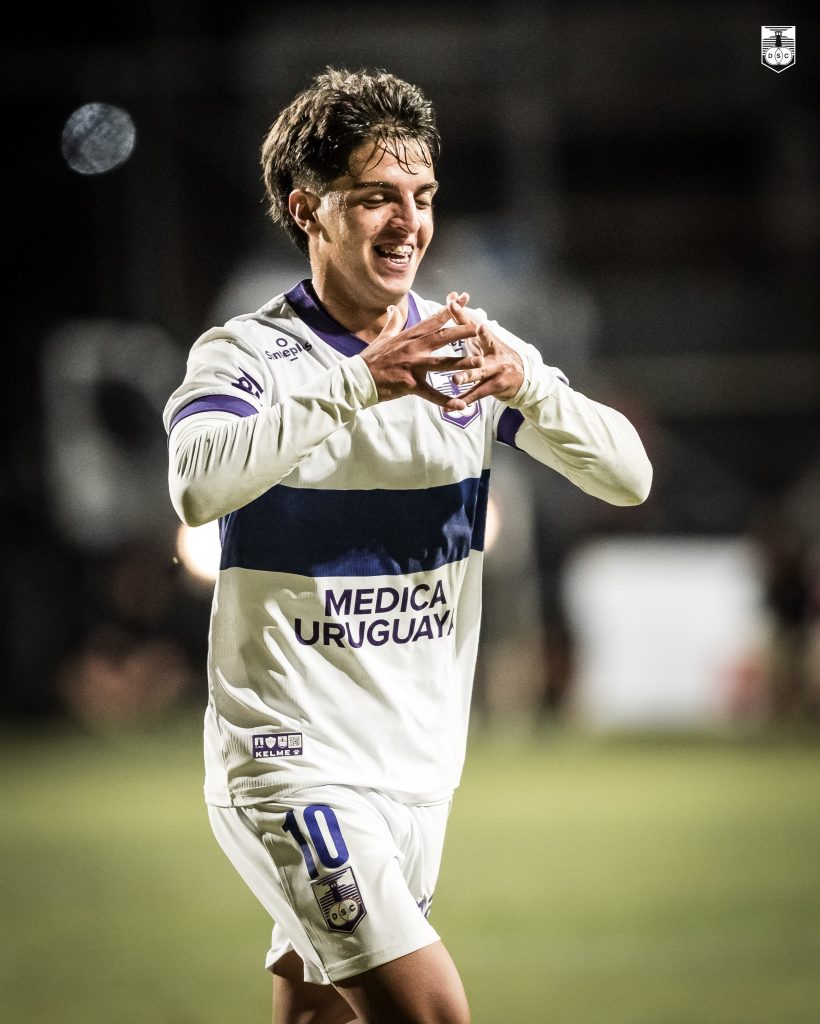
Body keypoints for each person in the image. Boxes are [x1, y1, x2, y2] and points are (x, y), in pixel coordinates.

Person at [163, 66, 652, 1024]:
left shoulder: (463, 350)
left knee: (322, 1015)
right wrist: (363, 381)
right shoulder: (247, 354)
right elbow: (197, 483)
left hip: (419, 768)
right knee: (432, 1015)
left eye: (422, 197)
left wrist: (527, 385)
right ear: (307, 208)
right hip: (291, 760)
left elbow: (628, 476)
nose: (408, 223)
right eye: (376, 197)